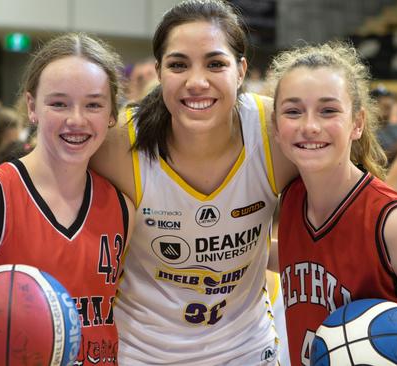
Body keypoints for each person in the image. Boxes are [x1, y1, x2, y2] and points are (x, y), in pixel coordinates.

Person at [91, 0, 297, 364]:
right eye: (178, 65)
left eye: (215, 64)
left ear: (241, 70)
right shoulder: (118, 141)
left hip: (247, 349)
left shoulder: (274, 130)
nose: (197, 82)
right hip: (141, 352)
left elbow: (346, 207)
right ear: (159, 71)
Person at [0, 33, 134, 366]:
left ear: (111, 113)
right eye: (59, 103)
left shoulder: (123, 208)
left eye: (93, 104)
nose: (76, 119)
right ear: (32, 107)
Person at [268, 41, 397, 365]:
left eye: (328, 110)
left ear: (357, 123)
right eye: (293, 111)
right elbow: (306, 257)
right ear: (276, 128)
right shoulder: (291, 198)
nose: (309, 126)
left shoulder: (391, 221)